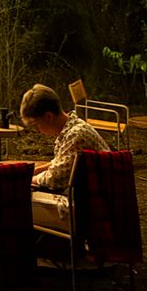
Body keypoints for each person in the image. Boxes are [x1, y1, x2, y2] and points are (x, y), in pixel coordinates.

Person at [19, 83, 109, 229]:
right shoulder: (72, 128)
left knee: (17, 202)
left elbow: (54, 179)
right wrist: (29, 172)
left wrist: (26, 180)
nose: (37, 130)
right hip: (88, 197)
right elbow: (58, 163)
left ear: (48, 116)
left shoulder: (76, 135)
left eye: (36, 125)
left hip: (92, 207)